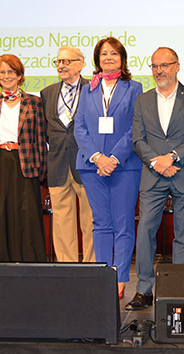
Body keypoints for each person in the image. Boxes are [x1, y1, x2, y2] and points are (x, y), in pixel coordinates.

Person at [126, 47, 184, 310]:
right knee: (145, 230)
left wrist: (171, 157)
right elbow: (137, 139)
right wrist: (157, 162)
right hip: (153, 174)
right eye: (154, 66)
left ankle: (178, 288)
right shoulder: (143, 100)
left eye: (164, 65)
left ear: (177, 66)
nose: (159, 71)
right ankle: (143, 290)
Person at [73, 37, 143, 299]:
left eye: (114, 53)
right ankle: (104, 274)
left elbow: (135, 127)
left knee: (123, 224)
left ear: (122, 58)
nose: (108, 58)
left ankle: (120, 278)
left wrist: (113, 158)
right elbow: (79, 127)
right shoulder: (88, 89)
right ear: (97, 59)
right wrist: (96, 157)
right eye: (104, 54)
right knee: (101, 223)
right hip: (92, 167)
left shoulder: (134, 88)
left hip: (124, 167)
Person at [0, 54, 47, 262]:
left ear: (20, 75)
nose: (6, 76)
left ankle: (27, 265)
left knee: (26, 216)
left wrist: (42, 170)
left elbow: (40, 138)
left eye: (11, 72)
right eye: (2, 72)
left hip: (25, 163)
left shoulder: (34, 102)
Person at [40, 47, 95, 263]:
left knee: (91, 221)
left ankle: (93, 266)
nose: (62, 65)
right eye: (58, 61)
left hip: (87, 164)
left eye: (67, 61)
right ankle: (67, 267)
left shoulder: (93, 89)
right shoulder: (47, 93)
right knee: (62, 221)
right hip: (57, 164)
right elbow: (46, 129)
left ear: (81, 64)